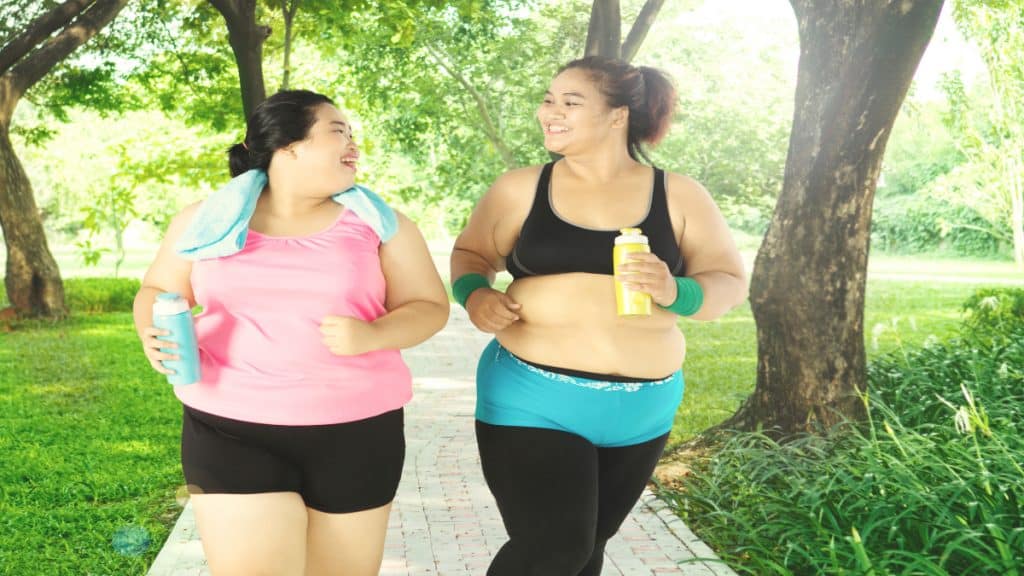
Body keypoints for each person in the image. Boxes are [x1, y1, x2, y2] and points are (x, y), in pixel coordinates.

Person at [450, 56, 748, 575]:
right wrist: (476, 297)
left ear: (618, 117)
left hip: (643, 410)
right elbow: (471, 256)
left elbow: (727, 282)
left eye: (570, 102)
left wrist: (676, 291)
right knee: (555, 547)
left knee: (586, 551)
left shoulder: (678, 194)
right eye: (548, 99)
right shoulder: (520, 188)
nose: (550, 112)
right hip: (533, 399)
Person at [133, 89, 449, 576]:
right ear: (289, 146)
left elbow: (429, 307)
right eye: (338, 131)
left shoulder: (379, 226)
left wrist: (372, 334)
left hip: (357, 433)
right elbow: (158, 288)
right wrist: (149, 328)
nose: (353, 144)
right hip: (229, 428)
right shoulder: (202, 223)